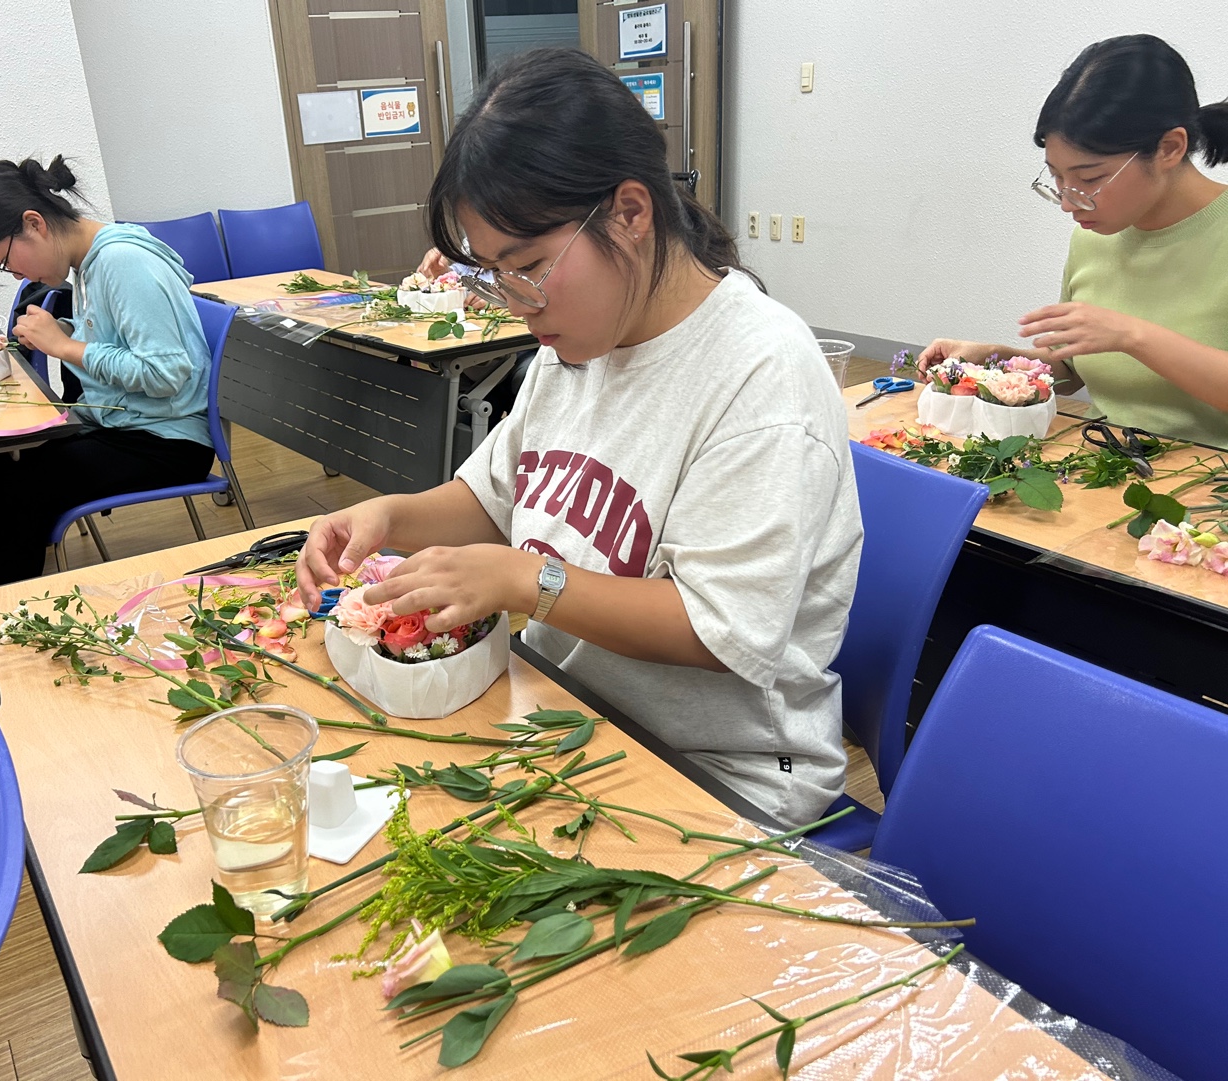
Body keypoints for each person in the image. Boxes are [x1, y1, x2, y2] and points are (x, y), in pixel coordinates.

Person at [300, 48, 862, 827]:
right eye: (493, 274)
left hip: (718, 776)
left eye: (528, 266)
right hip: (567, 717)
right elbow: (491, 500)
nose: (515, 302)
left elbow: (720, 630)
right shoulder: (578, 343)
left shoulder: (761, 373)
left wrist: (525, 580)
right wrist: (388, 515)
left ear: (630, 212)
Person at [0, 155, 218, 731]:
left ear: (34, 223)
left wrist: (65, 346)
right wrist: (68, 335)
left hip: (164, 440)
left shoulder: (123, 261)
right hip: (121, 425)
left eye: (4, 259)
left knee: (5, 489)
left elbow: (170, 373)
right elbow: (123, 343)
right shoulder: (94, 264)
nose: (11, 274)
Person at [921, 35, 1228, 447]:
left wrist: (1133, 336)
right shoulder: (1095, 236)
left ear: (1170, 148)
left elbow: (1123, 338)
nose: (1068, 202)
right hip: (1107, 457)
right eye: (1056, 177)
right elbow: (1073, 369)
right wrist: (992, 361)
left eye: (1089, 178)